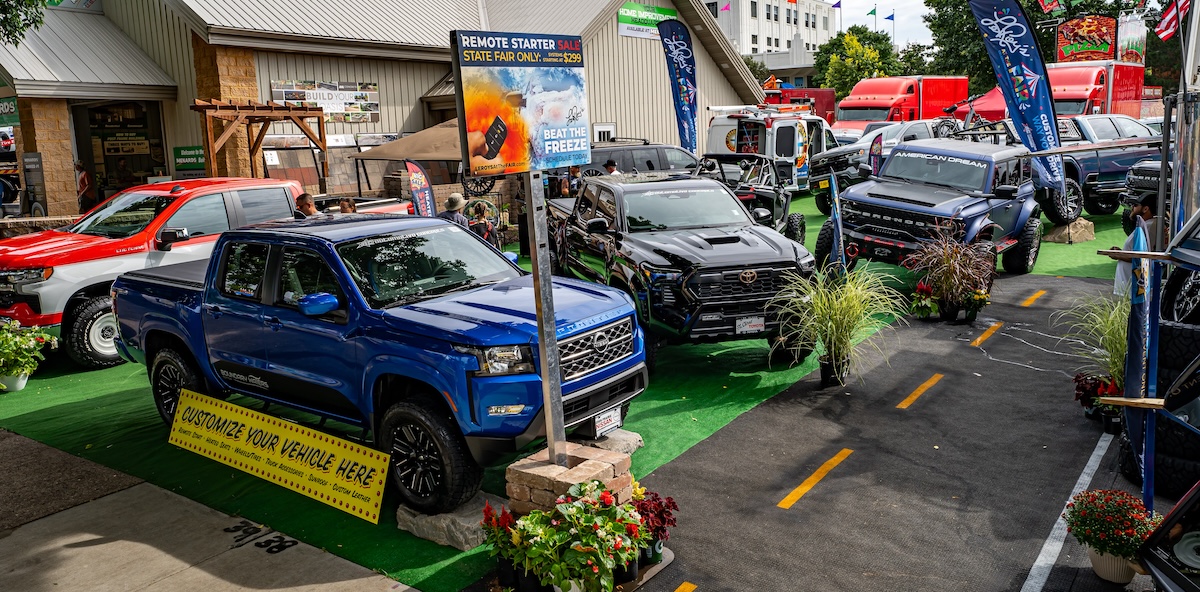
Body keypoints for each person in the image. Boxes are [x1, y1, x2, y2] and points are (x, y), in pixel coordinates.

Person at [1114, 192, 1158, 297]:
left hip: (1135, 290)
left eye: (1135, 205)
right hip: (1131, 288)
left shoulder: (1149, 226)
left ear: (1145, 209)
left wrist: (1118, 255)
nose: (1132, 208)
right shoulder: (1146, 225)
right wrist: (1120, 252)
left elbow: (1143, 256)